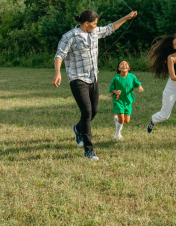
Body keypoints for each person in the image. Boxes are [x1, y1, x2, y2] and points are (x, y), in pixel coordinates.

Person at [53, 9, 138, 161]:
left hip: (93, 78)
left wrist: (126, 17)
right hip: (77, 79)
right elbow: (60, 54)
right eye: (94, 23)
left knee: (94, 111)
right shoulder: (70, 36)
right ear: (86, 23)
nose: (96, 26)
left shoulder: (95, 32)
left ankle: (78, 128)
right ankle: (89, 151)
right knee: (86, 112)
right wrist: (58, 73)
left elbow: (111, 27)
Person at [109, 60, 143, 140]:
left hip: (128, 101)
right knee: (121, 119)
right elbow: (111, 89)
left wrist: (139, 86)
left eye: (126, 64)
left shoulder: (132, 76)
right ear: (119, 68)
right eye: (122, 64)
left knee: (126, 121)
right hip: (118, 100)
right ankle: (117, 134)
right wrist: (116, 92)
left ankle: (117, 119)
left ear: (128, 68)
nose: (124, 65)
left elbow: (137, 83)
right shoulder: (116, 78)